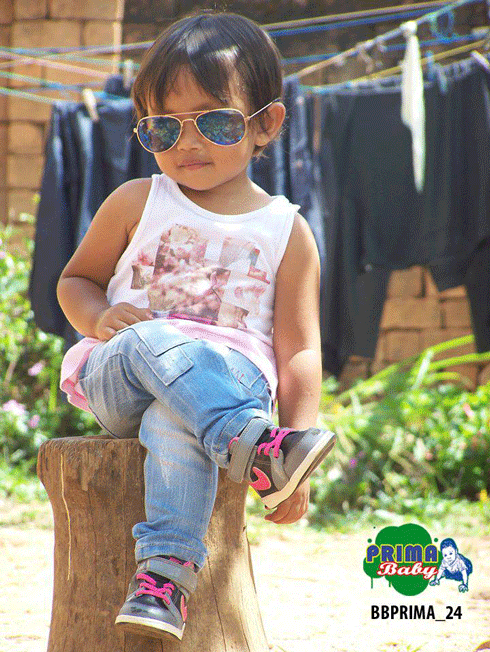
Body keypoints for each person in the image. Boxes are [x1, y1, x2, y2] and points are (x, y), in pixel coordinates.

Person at [57, 10, 335, 642]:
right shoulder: (137, 202)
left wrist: (300, 435)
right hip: (123, 371)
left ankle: (164, 579)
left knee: (173, 420)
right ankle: (255, 448)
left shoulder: (287, 231)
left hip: (228, 382)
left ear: (267, 123)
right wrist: (99, 318)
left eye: (214, 121)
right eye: (163, 126)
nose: (187, 143)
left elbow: (298, 348)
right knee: (154, 338)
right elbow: (76, 280)